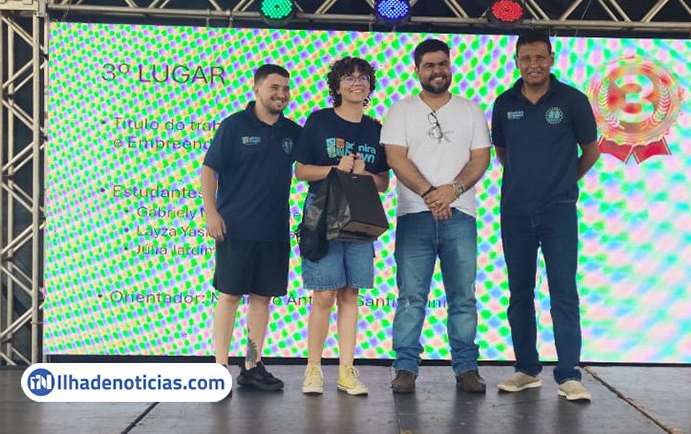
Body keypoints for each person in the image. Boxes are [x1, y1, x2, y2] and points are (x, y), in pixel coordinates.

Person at [491, 30, 600, 402]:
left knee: (564, 292)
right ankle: (526, 369)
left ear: (551, 59)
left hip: (559, 212)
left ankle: (569, 374)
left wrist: (563, 181)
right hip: (515, 213)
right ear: (516, 62)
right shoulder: (504, 103)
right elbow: (503, 152)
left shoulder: (572, 100)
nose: (533, 65)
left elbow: (590, 151)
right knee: (520, 294)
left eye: (540, 57)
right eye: (526, 58)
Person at [381, 38, 492, 394]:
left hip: (461, 214)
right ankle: (405, 368)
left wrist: (452, 191)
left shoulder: (470, 109)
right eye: (429, 65)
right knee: (411, 297)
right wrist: (431, 194)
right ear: (417, 70)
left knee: (463, 297)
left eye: (442, 63)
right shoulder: (401, 110)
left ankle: (466, 368)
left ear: (450, 66)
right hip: (414, 215)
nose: (437, 71)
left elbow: (481, 158)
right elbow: (396, 158)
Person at [201, 64, 301, 393]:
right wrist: (211, 213)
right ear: (257, 89)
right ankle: (219, 368)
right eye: (274, 87)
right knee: (229, 296)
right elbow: (209, 170)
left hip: (274, 229)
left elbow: (310, 164)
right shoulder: (234, 125)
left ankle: (252, 365)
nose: (281, 94)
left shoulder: (292, 131)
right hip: (235, 227)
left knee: (262, 298)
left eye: (285, 88)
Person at [293, 57, 389, 396]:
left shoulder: (376, 128)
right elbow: (301, 171)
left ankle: (347, 371)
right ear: (336, 86)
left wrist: (365, 173)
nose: (356, 83)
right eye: (348, 78)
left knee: (350, 294)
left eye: (363, 78)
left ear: (370, 86)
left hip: (360, 220)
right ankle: (313, 369)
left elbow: (384, 183)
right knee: (324, 294)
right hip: (323, 218)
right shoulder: (319, 121)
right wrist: (335, 168)